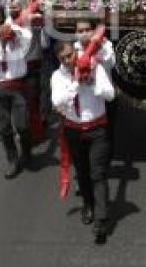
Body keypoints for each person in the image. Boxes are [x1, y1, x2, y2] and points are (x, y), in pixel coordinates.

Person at [51, 41, 115, 244]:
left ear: (76, 52)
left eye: (70, 55)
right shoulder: (58, 76)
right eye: (63, 58)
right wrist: (77, 83)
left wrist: (94, 82)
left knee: (98, 173)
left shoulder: (95, 67)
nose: (69, 61)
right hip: (74, 130)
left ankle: (101, 219)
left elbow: (110, 95)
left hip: (97, 129)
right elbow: (58, 102)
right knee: (83, 173)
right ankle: (88, 204)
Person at [0, 4, 33, 178]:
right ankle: (12, 160)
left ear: (3, 16)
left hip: (18, 86)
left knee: (23, 126)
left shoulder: (15, 30)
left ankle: (26, 150)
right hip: (0, 87)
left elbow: (28, 42)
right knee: (5, 129)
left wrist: (14, 35)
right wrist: (1, 43)